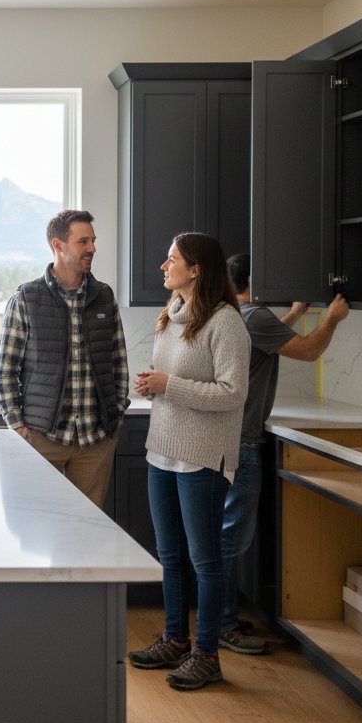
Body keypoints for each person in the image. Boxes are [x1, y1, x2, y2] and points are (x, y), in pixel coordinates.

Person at [127, 232, 249, 691]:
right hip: (162, 449)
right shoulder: (171, 314)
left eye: (172, 259)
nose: (164, 265)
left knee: (205, 560)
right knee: (170, 555)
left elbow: (233, 393)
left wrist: (169, 386)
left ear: (196, 270)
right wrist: (154, 386)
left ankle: (207, 655)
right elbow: (173, 381)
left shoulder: (226, 323)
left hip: (202, 456)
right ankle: (176, 639)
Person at [216, 254, 350, 655]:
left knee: (224, 534)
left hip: (223, 439)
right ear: (254, 281)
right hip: (242, 441)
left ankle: (217, 617)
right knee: (232, 538)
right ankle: (222, 623)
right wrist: (332, 319)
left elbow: (266, 341)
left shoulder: (233, 314)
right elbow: (308, 352)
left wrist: (293, 315)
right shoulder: (255, 317)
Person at [0, 209, 130, 508]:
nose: (92, 248)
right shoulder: (27, 298)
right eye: (83, 241)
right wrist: (18, 426)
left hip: (96, 440)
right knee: (40, 524)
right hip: (43, 438)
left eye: (93, 241)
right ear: (58, 245)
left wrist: (117, 414)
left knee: (88, 527)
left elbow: (119, 363)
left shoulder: (104, 296)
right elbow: (5, 371)